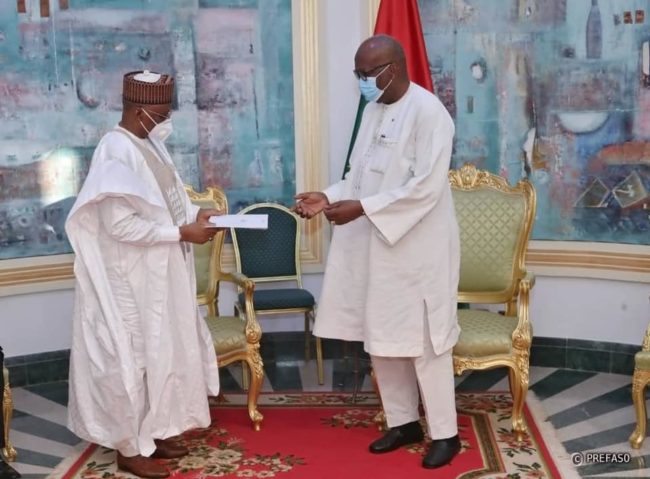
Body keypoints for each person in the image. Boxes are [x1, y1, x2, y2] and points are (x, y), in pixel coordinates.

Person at [294, 35, 461, 469]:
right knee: (384, 338)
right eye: (358, 73)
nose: (362, 81)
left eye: (367, 73)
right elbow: (359, 178)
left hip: (418, 250)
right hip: (378, 247)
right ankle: (404, 423)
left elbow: (425, 189)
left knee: (425, 343)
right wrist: (329, 197)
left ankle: (446, 434)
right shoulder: (372, 110)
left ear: (394, 68)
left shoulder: (430, 114)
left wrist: (363, 208)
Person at [65, 70, 222, 478]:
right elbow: (120, 226)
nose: (167, 119)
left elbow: (168, 202)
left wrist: (195, 215)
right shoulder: (114, 151)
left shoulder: (151, 143)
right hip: (128, 281)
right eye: (162, 113)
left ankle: (157, 430)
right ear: (139, 111)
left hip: (159, 274)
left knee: (162, 353)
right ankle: (130, 448)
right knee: (131, 361)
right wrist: (181, 233)